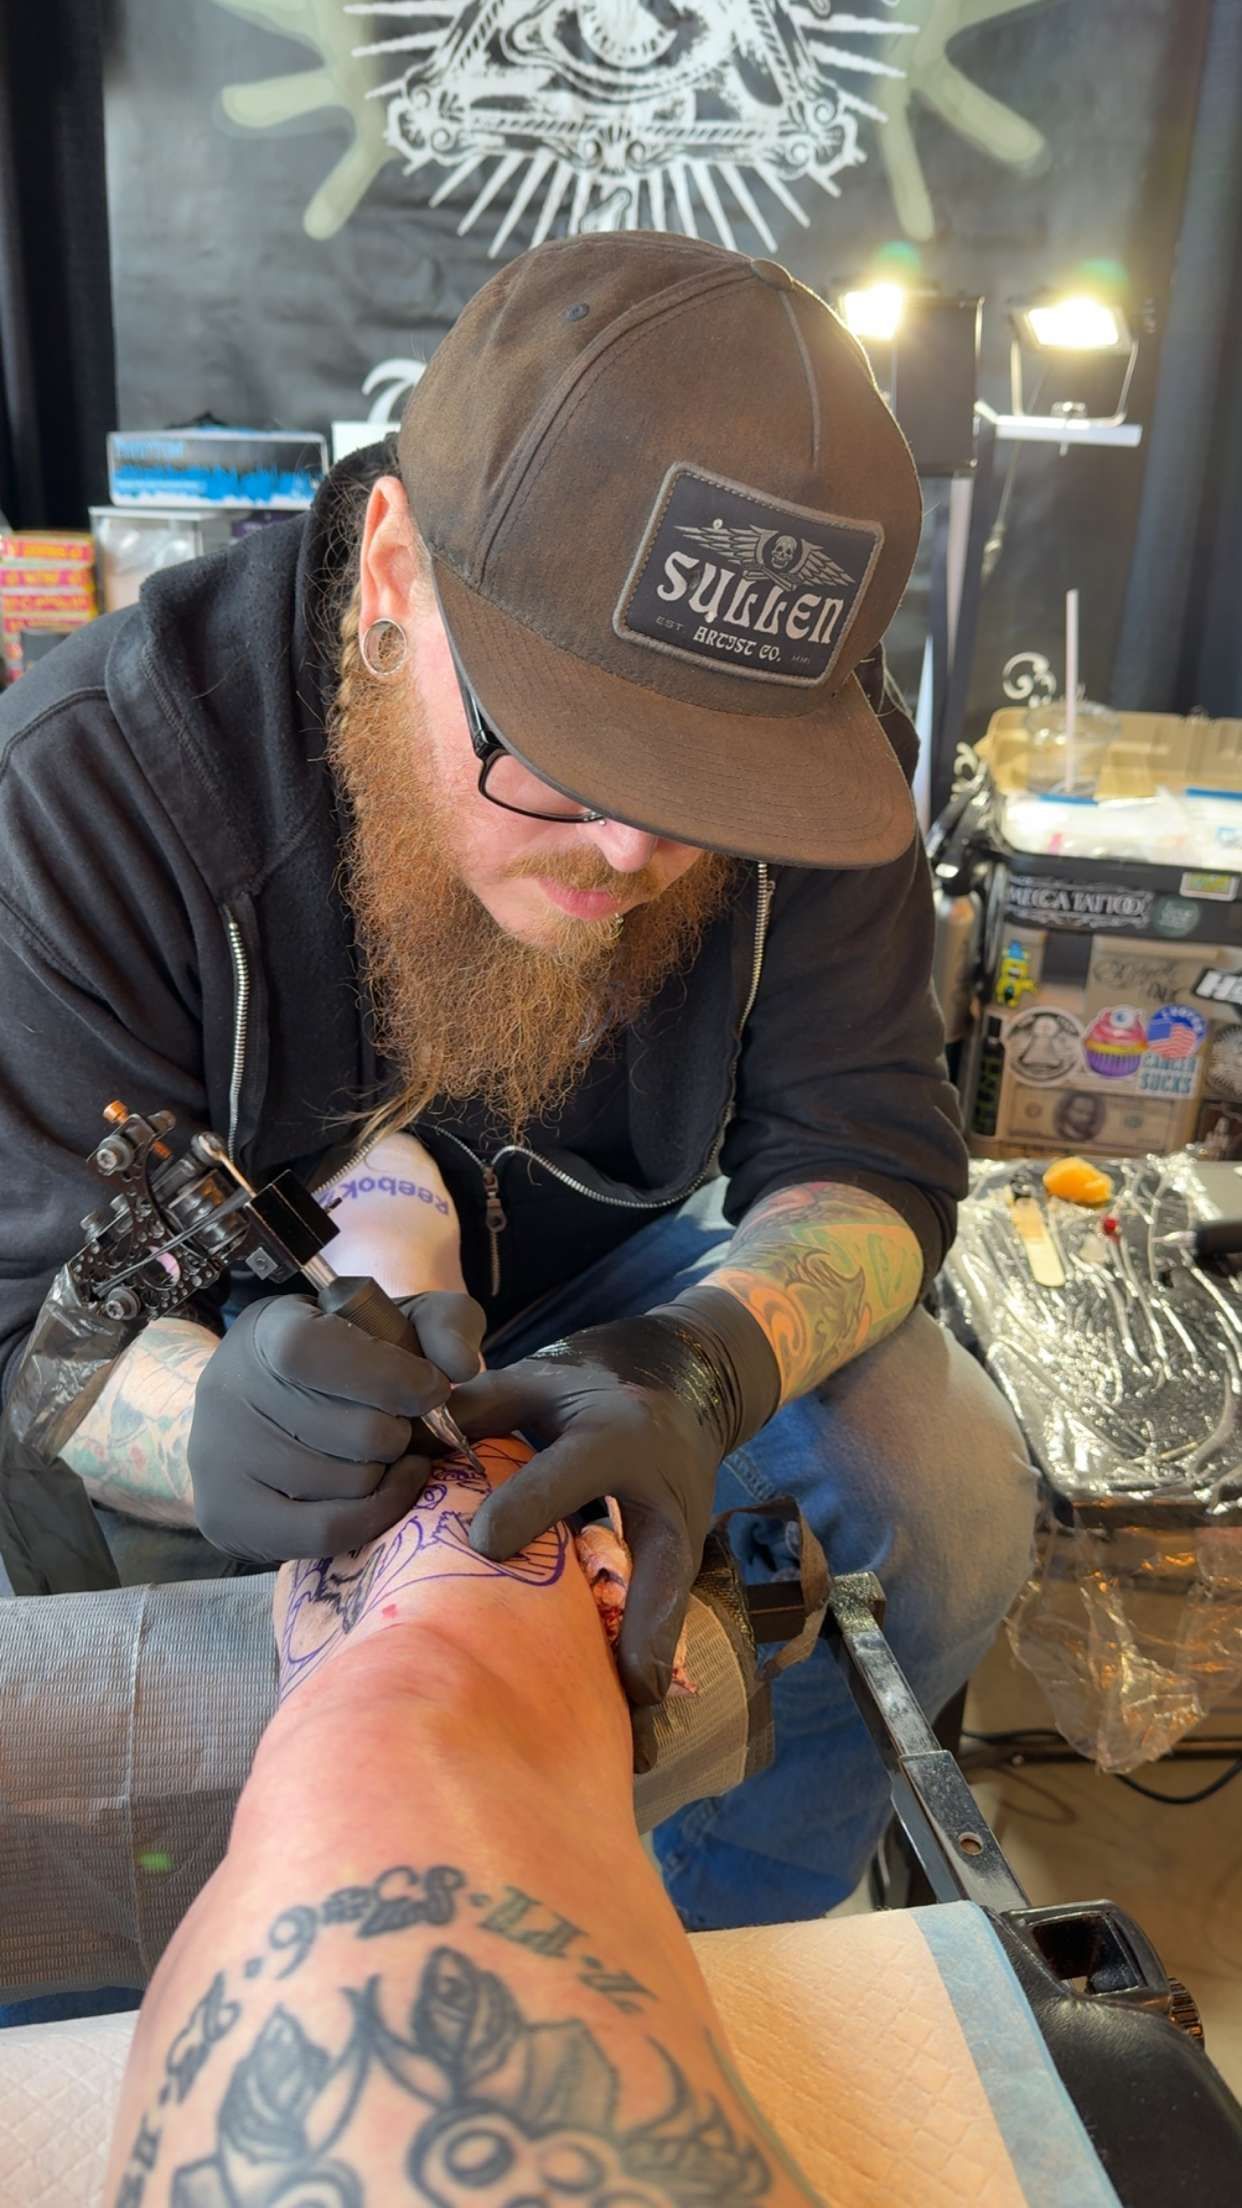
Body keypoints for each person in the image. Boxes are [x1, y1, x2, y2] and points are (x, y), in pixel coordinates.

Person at [0, 231, 1035, 1928]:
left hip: (606, 1282)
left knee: (945, 1478)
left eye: (704, 780)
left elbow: (865, 1145)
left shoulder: (789, 753)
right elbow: (28, 1342)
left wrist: (700, 1362)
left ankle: (729, 1936)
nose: (639, 844)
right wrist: (212, 1425)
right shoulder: (96, 788)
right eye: (563, 754)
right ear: (393, 572)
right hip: (261, 1339)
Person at [104, 1436, 818, 2207]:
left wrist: (711, 1358)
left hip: (557, 1384)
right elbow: (39, 1360)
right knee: (415, 1686)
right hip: (212, 1422)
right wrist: (228, 1434)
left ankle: (710, 1911)